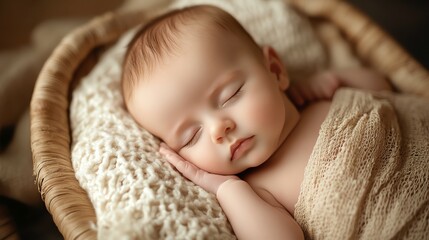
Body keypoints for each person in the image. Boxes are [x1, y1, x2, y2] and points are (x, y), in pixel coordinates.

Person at [121, 5, 393, 239]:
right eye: (192, 136)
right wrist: (226, 189)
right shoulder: (257, 190)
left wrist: (336, 81)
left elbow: (384, 92)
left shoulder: (320, 101)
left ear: (274, 70)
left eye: (230, 95)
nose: (219, 129)